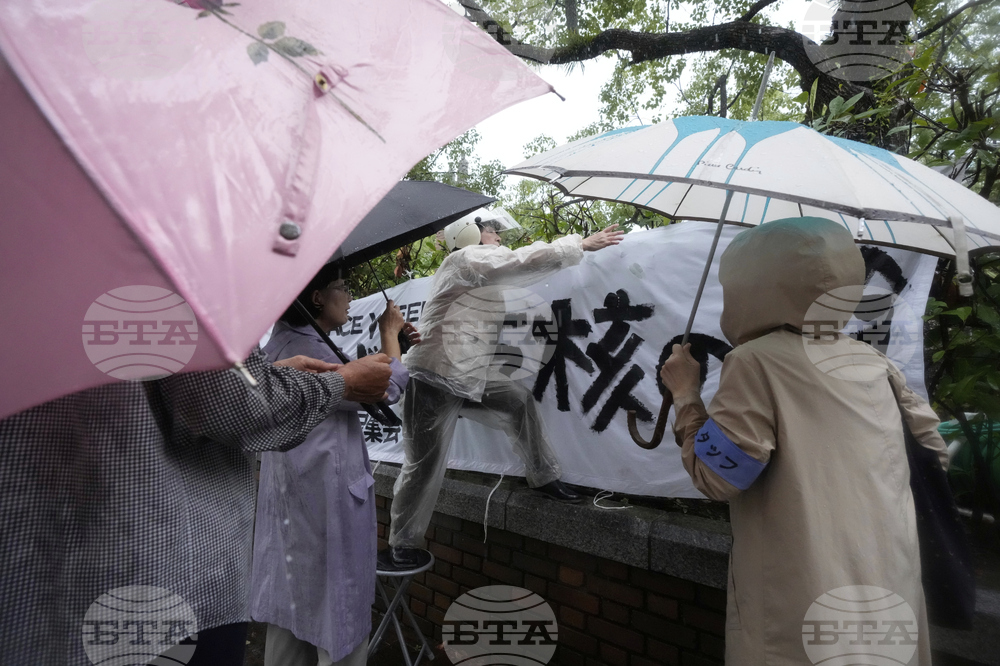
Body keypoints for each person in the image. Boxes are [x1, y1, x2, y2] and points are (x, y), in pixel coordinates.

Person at [659, 217, 947, 665]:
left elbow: (718, 477)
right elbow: (934, 451)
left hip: (799, 604)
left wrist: (684, 395)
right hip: (891, 591)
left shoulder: (756, 362)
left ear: (752, 284)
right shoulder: (874, 362)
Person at [0, 344, 392, 666]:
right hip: (170, 577)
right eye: (339, 285)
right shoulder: (163, 262)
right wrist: (342, 383)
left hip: (39, 580)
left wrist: (264, 375)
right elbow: (232, 404)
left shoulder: (34, 272)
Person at [388, 212, 624, 566]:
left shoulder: (478, 273)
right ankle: (401, 543)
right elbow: (522, 259)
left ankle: (543, 476)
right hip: (433, 375)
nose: (497, 237)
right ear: (470, 236)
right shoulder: (466, 259)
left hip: (467, 374)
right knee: (423, 464)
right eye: (490, 231)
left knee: (517, 402)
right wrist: (579, 244)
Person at [250, 263, 416, 666]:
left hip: (293, 504)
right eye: (342, 286)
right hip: (327, 501)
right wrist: (390, 334)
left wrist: (393, 351)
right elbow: (384, 389)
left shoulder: (278, 343)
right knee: (338, 620)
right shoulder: (313, 352)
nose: (349, 296)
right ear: (317, 297)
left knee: (290, 618)